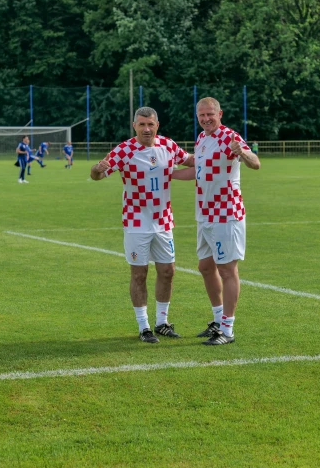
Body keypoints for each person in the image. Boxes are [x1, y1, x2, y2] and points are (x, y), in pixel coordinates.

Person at [90, 107, 193, 343]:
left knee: (168, 272)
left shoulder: (168, 145)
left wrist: (218, 157)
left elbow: (190, 161)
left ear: (157, 125)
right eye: (142, 124)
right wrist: (96, 170)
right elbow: (98, 174)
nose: (147, 129)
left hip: (164, 220)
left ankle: (162, 323)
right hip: (136, 221)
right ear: (134, 125)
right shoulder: (124, 150)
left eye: (151, 124)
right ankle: (144, 326)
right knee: (139, 273)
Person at [173, 97, 260, 345]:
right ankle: (218, 320)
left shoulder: (228, 137)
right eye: (201, 115)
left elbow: (255, 163)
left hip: (226, 213)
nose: (205, 119)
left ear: (219, 113)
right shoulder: (202, 139)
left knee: (227, 270)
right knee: (205, 267)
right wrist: (167, 173)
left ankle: (228, 330)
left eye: (210, 114)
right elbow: (197, 171)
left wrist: (242, 152)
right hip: (205, 214)